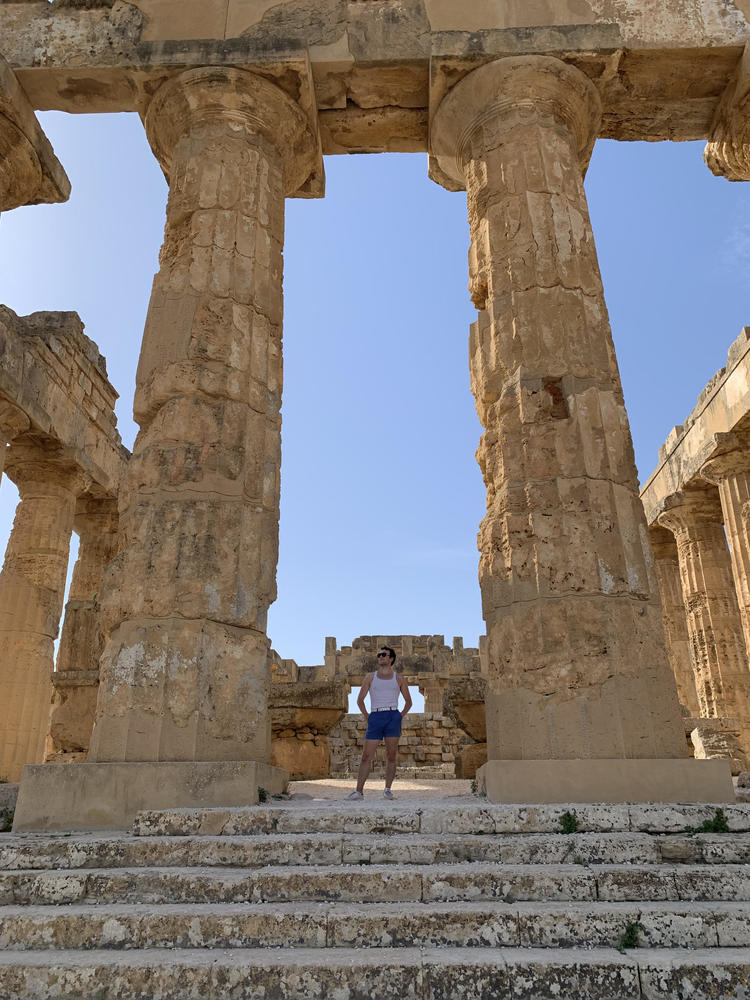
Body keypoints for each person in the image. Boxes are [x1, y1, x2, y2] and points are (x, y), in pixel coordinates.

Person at [346, 645, 412, 800]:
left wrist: (399, 716)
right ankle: (359, 791)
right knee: (366, 755)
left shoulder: (399, 678)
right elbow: (360, 700)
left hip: (392, 715)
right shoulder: (370, 677)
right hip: (375, 716)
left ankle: (388, 789)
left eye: (384, 655)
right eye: (379, 655)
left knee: (391, 755)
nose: (380, 657)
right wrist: (368, 716)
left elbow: (408, 702)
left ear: (391, 659)